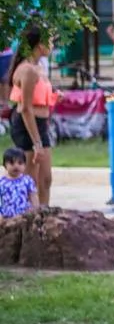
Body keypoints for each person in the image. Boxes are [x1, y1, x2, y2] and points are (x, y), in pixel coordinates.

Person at [6, 28, 55, 207]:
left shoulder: (39, 68)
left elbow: (39, 98)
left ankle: (45, 215)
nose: (52, 45)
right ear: (39, 45)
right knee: (31, 179)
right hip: (27, 125)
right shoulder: (27, 70)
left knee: (46, 178)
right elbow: (26, 108)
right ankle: (30, 219)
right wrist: (37, 143)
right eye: (49, 41)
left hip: (41, 124)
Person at [0, 146, 39, 218]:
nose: (16, 166)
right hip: (6, 216)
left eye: (20, 163)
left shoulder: (27, 180)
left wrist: (36, 211)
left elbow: (33, 197)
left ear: (24, 165)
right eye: (12, 163)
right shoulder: (2, 182)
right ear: (5, 165)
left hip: (24, 215)